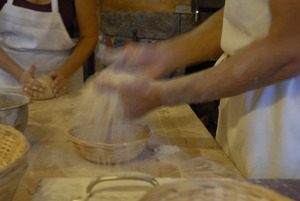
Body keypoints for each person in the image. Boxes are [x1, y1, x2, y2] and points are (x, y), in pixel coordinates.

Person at [94, 0, 300, 179]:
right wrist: (164, 55)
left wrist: (160, 95)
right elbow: (241, 16)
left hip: (282, 116)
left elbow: (290, 50)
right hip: (248, 103)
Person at [0, 0, 98, 98]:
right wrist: (20, 75)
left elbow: (89, 37)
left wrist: (62, 75)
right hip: (9, 80)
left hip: (62, 83)